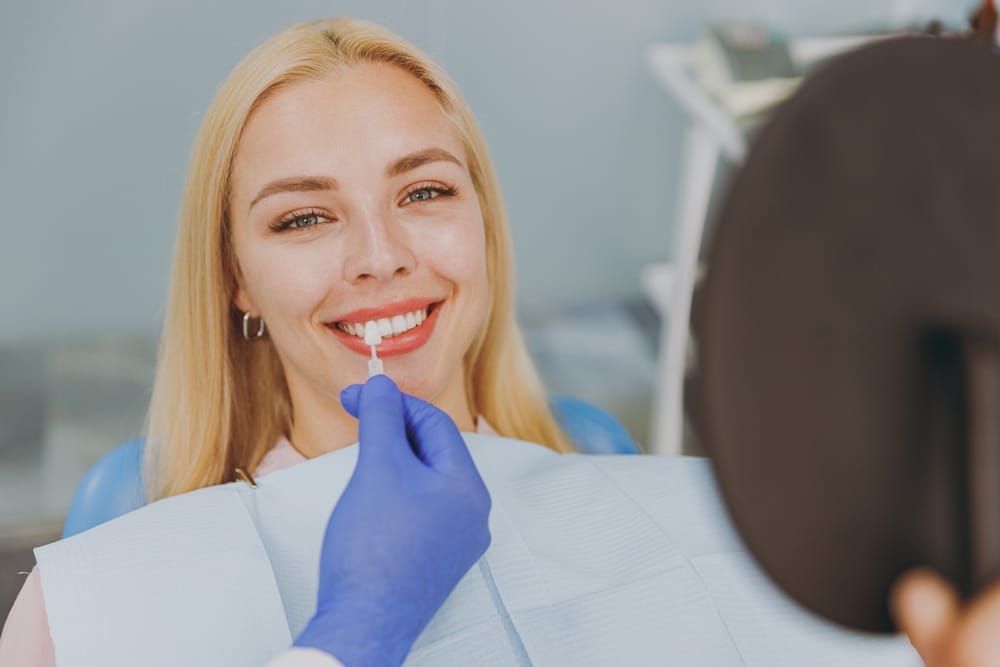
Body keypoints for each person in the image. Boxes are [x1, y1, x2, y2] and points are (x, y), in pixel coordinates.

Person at [0, 16, 574, 666]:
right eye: (304, 218)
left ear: (484, 224)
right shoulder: (93, 588)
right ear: (237, 279)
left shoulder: (602, 470)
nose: (380, 257)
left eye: (424, 191)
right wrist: (361, 627)